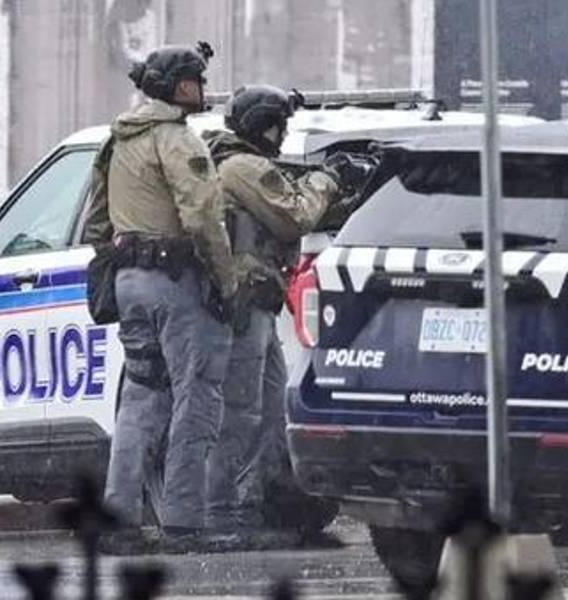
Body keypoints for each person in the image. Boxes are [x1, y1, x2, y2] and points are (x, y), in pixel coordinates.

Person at [84, 42, 235, 553]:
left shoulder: (118, 140)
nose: (202, 88)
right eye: (195, 79)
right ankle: (184, 520)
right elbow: (202, 217)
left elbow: (96, 221)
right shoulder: (176, 140)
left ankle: (118, 515)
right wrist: (226, 279)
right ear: (175, 86)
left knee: (140, 396)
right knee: (198, 395)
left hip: (130, 283)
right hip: (177, 283)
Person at [203, 85, 369, 548]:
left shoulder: (246, 166)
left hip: (259, 303)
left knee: (271, 411)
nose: (283, 133)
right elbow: (294, 215)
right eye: (280, 125)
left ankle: (252, 504)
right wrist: (329, 177)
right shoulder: (244, 167)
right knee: (240, 412)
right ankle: (221, 511)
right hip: (245, 302)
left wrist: (349, 193)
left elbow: (303, 215)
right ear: (264, 125)